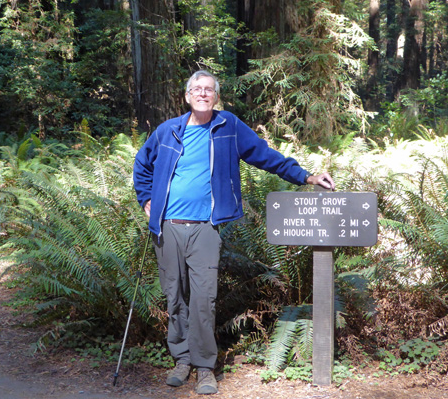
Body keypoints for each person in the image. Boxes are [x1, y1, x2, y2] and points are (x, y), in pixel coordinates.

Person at [133, 70, 335, 395]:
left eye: (208, 89)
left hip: (205, 229)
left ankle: (203, 367)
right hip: (168, 228)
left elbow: (265, 155)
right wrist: (146, 199)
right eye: (196, 89)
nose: (202, 93)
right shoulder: (167, 131)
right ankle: (181, 359)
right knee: (175, 297)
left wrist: (305, 176)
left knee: (203, 300)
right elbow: (142, 165)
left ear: (215, 96)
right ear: (187, 96)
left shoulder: (228, 127)